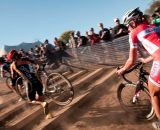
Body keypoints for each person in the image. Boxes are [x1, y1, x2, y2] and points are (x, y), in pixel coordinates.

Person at [116, 7, 160, 130]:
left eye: (128, 26)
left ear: (133, 22)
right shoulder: (154, 27)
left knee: (154, 93)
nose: (128, 29)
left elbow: (131, 60)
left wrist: (122, 70)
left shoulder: (134, 33)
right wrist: (146, 60)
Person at [7, 49, 53, 119]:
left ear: (12, 58)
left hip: (29, 83)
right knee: (41, 97)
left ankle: (43, 104)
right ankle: (48, 114)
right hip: (36, 80)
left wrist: (15, 79)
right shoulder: (24, 59)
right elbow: (37, 62)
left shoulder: (13, 65)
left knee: (31, 100)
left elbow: (14, 76)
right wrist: (41, 65)